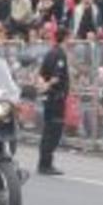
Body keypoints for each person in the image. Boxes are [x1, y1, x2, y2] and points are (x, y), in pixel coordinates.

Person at [37, 27, 71, 175]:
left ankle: (43, 162)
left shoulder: (50, 52)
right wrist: (47, 85)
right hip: (56, 98)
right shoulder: (60, 54)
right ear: (65, 38)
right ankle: (46, 164)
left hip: (48, 98)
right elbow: (56, 77)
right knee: (54, 130)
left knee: (47, 130)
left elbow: (41, 74)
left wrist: (42, 86)